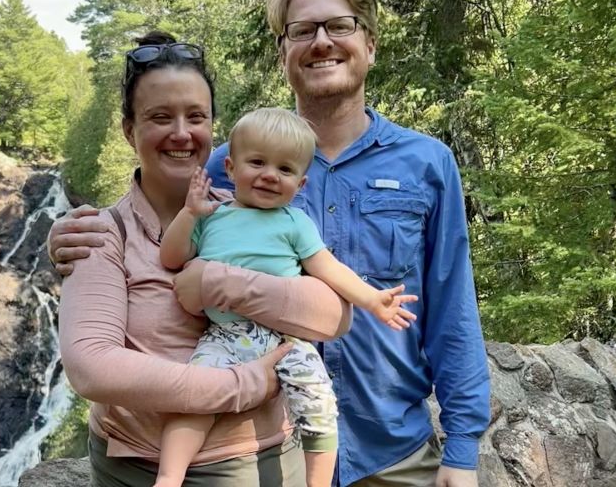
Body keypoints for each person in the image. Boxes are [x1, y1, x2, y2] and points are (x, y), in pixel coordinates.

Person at [50, 0, 491, 487]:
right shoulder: (229, 166)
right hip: (270, 458)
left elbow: (451, 308)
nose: (322, 42)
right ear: (283, 53)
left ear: (370, 43)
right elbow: (158, 208)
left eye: (339, 25)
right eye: (302, 30)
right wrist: (67, 234)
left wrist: (462, 445)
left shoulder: (426, 163)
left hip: (391, 449)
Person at [56, 30, 352, 487]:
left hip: (264, 466)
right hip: (138, 472)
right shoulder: (101, 232)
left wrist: (218, 282)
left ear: (213, 128)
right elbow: (92, 366)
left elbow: (335, 317)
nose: (181, 133)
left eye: (195, 117)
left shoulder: (259, 213)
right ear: (129, 130)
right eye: (160, 117)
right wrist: (243, 384)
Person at [155, 107, 418, 487]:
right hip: (224, 336)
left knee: (320, 403)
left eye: (285, 169)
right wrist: (189, 214)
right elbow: (171, 257)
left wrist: (372, 300)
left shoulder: (295, 223)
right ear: (230, 168)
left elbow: (329, 269)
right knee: (196, 396)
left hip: (284, 336)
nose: (269, 175)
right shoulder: (212, 217)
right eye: (257, 162)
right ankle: (169, 476)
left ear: (301, 184)